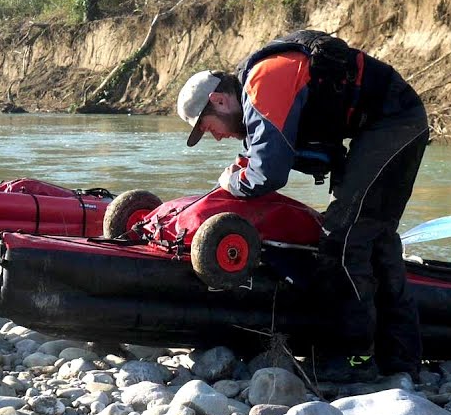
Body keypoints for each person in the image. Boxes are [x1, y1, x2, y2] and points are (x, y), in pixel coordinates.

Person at [176, 29, 428, 382]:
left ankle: (353, 358)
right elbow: (265, 151)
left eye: (208, 127)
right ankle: (400, 361)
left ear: (219, 101)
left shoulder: (264, 82)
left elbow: (266, 175)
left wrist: (228, 181)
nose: (215, 136)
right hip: (393, 122)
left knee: (342, 239)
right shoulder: (257, 93)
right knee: (376, 239)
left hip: (394, 124)